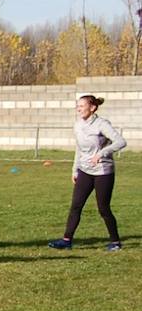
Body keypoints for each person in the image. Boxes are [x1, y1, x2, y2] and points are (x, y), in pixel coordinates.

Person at [48, 93, 127, 251]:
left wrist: (101, 153)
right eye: (77, 106)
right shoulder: (77, 125)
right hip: (84, 170)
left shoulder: (102, 124)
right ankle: (66, 240)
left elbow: (121, 142)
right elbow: (79, 148)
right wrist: (74, 169)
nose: (79, 109)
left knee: (103, 208)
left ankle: (116, 242)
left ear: (92, 107)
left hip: (103, 171)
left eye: (82, 106)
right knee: (76, 206)